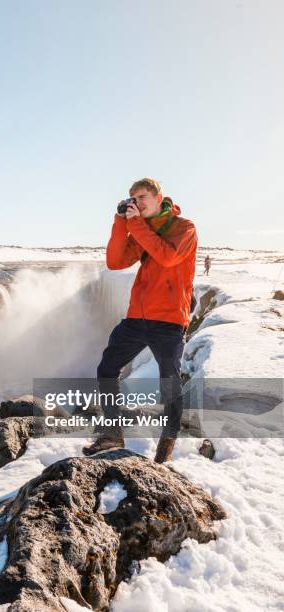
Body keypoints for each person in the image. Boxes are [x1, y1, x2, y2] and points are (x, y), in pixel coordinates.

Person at [83, 177, 198, 463]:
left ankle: (166, 445)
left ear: (160, 199)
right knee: (107, 369)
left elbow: (167, 257)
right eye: (133, 198)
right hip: (137, 317)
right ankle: (113, 433)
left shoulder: (184, 228)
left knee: (169, 382)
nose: (137, 202)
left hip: (169, 320)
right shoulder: (141, 229)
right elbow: (115, 261)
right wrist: (121, 223)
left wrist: (135, 225)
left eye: (143, 197)